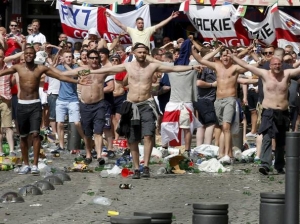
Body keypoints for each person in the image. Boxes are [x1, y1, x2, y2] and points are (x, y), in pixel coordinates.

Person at [83, 42, 201, 179]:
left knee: (149, 134)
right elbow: (107, 70)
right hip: (132, 105)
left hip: (147, 104)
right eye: (139, 52)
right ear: (133, 53)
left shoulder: (152, 66)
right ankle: (136, 167)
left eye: (144, 52)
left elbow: (174, 68)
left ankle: (146, 166)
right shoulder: (128, 66)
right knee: (132, 138)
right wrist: (88, 71)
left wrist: (192, 66)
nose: (142, 54)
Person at [0, 47, 87, 175]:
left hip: (35, 104)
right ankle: (26, 164)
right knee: (23, 137)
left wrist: (77, 81)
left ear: (35, 55)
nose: (29, 56)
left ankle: (34, 164)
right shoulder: (18, 67)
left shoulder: (40, 68)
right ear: (24, 55)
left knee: (35, 134)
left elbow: (60, 76)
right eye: (27, 54)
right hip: (22, 105)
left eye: (31, 54)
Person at [231, 55, 300, 175]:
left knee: (281, 140)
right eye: (275, 64)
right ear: (270, 65)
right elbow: (246, 65)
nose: (277, 66)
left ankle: (279, 165)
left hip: (283, 112)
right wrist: (232, 56)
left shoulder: (287, 73)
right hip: (268, 111)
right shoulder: (264, 73)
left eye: (279, 64)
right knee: (267, 137)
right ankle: (265, 164)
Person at [192, 46, 257, 164]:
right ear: (220, 57)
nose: (226, 57)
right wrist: (192, 49)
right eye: (224, 55)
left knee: (226, 127)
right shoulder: (217, 66)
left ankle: (228, 154)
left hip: (230, 99)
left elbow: (249, 67)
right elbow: (201, 60)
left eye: (228, 55)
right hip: (218, 100)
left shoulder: (235, 67)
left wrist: (235, 56)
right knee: (219, 128)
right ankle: (222, 153)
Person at [106, 11, 179, 49]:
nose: (141, 24)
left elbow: (161, 24)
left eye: (142, 23)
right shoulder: (132, 30)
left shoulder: (148, 30)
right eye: (139, 23)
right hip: (136, 55)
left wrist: (171, 17)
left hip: (147, 55)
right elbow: (120, 24)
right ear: (136, 24)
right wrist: (110, 16)